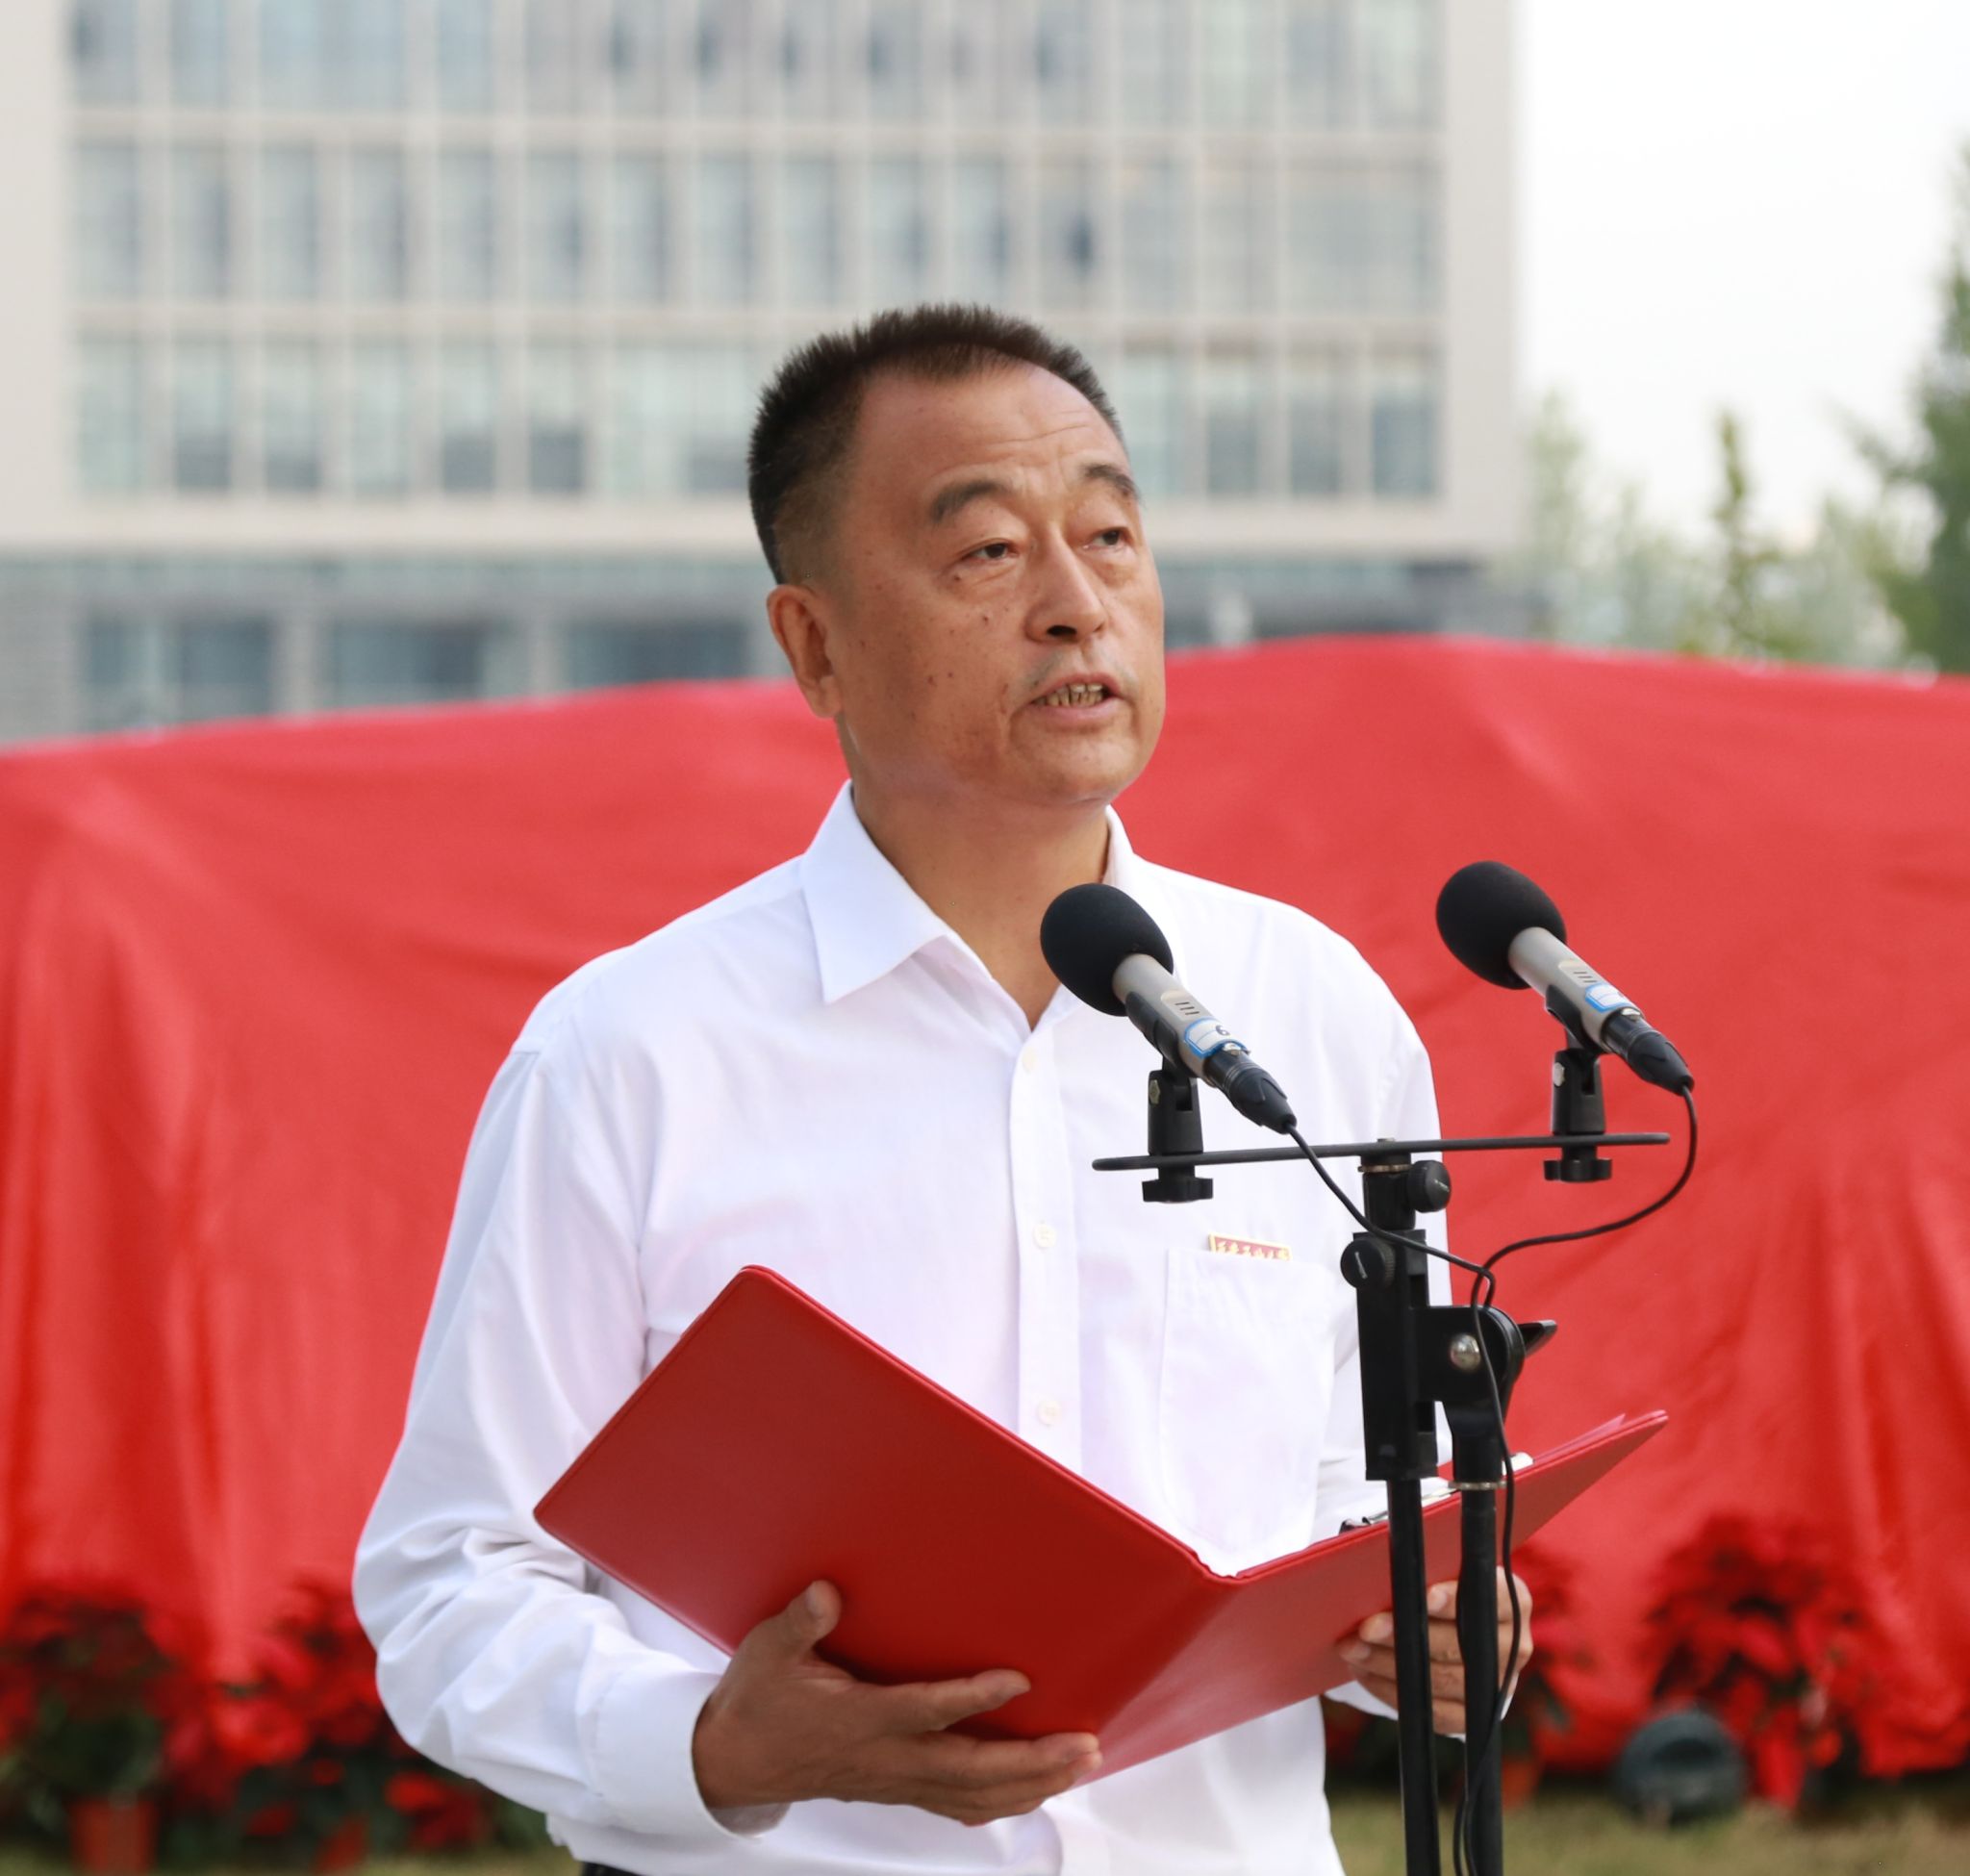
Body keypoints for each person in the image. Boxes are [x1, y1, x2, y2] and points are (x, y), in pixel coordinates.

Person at [354, 305, 1531, 1876]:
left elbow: (1371, 1485)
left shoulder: (1309, 1015)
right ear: (815, 644)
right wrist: (711, 1743)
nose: (1075, 604)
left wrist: (1444, 1616)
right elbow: (451, 1579)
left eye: (1109, 535)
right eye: (987, 552)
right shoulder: (633, 1053)